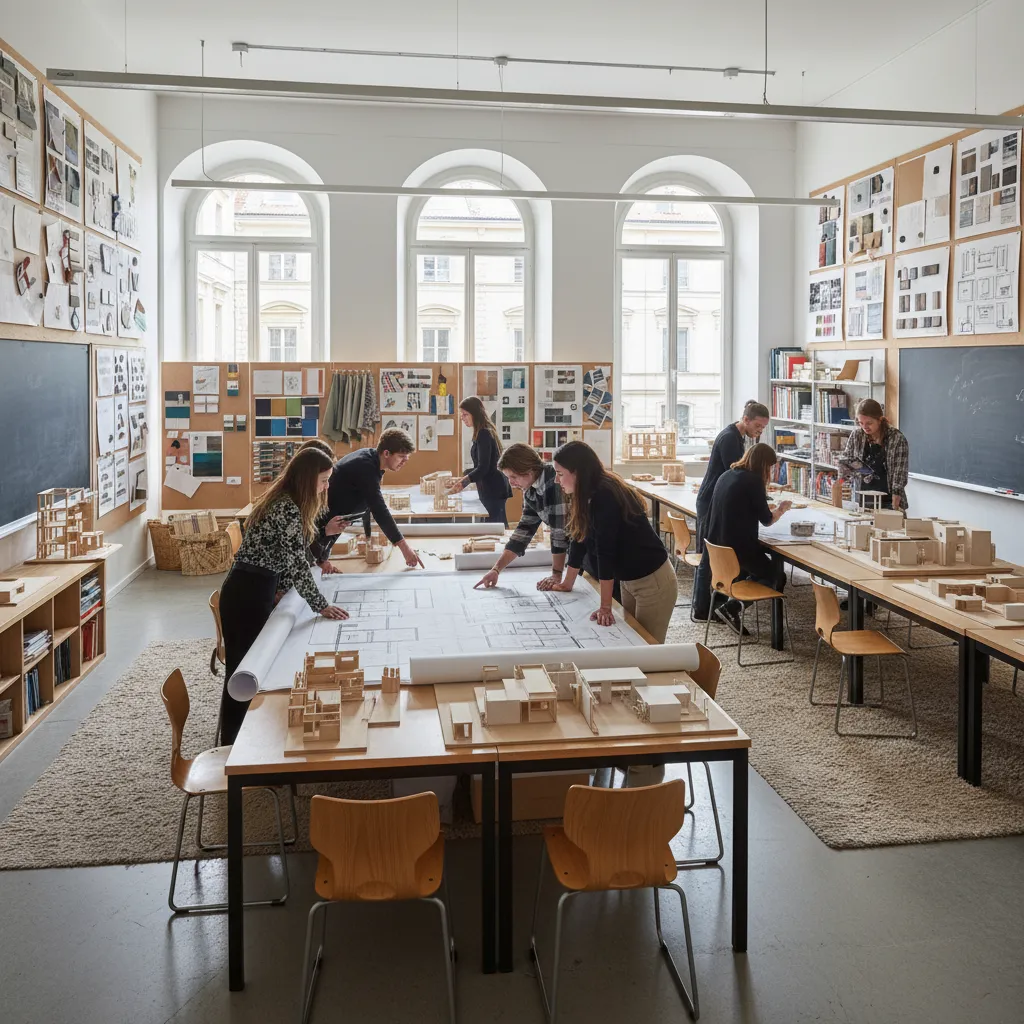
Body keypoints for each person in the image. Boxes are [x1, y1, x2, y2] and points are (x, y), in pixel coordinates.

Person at [218, 448, 349, 745]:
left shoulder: (290, 501)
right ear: (307, 479)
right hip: (246, 593)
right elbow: (295, 561)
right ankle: (232, 746)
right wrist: (321, 605)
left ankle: (244, 739)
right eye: (324, 480)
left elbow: (291, 553)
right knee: (243, 673)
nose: (327, 486)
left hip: (259, 586)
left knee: (252, 667)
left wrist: (283, 589)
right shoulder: (286, 507)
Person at [549, 440, 678, 644]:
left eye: (560, 473)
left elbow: (605, 551)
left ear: (577, 472)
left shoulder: (605, 494)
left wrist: (605, 606)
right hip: (628, 579)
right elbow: (579, 539)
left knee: (648, 647)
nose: (557, 480)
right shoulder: (586, 493)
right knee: (629, 640)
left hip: (652, 581)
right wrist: (567, 583)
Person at [700, 443, 792, 633]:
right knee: (776, 575)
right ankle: (731, 607)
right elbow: (766, 520)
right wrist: (782, 509)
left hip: (717, 546)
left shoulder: (727, 475)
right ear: (763, 465)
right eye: (769, 467)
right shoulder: (753, 481)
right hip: (738, 549)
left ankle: (734, 601)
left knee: (758, 570)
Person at [691, 400, 771, 619]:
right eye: (758, 426)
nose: (759, 431)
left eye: (763, 428)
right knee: (709, 557)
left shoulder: (738, 437)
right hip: (712, 501)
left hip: (718, 498)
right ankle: (702, 609)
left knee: (714, 554)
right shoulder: (730, 439)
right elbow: (735, 473)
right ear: (745, 419)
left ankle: (713, 605)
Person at [312, 428, 424, 569]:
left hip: (330, 527)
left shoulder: (372, 460)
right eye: (401, 456)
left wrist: (323, 559)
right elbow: (379, 510)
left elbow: (365, 505)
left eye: (407, 457)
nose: (404, 461)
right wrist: (405, 548)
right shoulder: (366, 467)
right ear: (386, 453)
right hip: (317, 530)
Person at [473, 443, 568, 592]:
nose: (511, 483)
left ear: (528, 471)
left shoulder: (554, 483)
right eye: (508, 478)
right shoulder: (530, 490)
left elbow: (559, 534)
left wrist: (556, 575)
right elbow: (523, 532)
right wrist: (496, 570)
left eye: (513, 477)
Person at [449, 396, 512, 525]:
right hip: (490, 487)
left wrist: (463, 482)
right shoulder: (481, 432)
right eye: (462, 414)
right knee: (491, 526)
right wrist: (463, 476)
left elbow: (483, 468)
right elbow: (481, 465)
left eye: (465, 414)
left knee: (495, 527)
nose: (462, 418)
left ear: (475, 414)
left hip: (494, 489)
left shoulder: (484, 433)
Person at [839, 398, 910, 511]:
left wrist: (896, 506)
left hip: (889, 501)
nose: (864, 427)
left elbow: (899, 474)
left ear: (880, 420)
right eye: (861, 423)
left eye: (869, 423)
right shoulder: (857, 436)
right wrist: (841, 482)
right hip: (861, 500)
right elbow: (846, 461)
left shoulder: (896, 439)